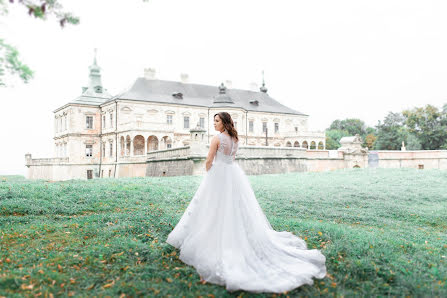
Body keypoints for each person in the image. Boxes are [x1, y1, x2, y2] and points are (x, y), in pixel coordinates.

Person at [166, 112, 326, 293]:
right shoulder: (235, 139)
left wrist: (209, 174)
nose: (214, 124)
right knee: (233, 207)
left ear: (224, 122)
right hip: (232, 173)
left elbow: (209, 159)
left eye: (217, 121)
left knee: (211, 206)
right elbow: (231, 159)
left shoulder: (217, 138)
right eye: (214, 121)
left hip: (218, 173)